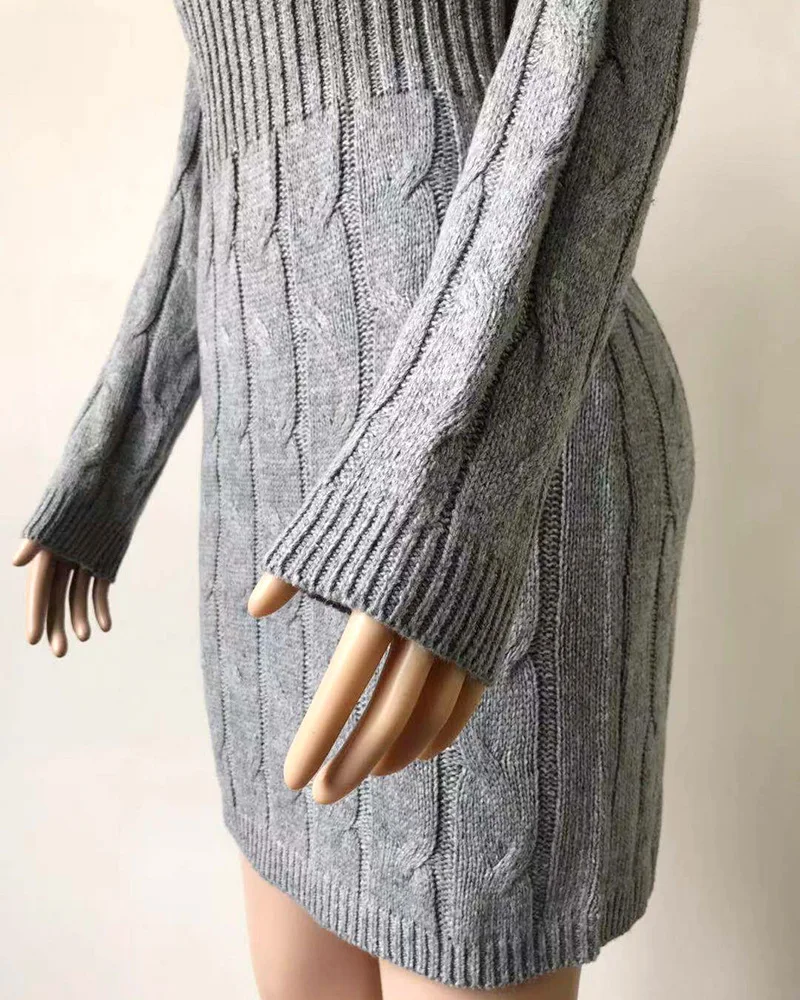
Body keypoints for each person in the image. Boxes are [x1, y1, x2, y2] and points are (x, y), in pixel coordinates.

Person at [13, 1, 699, 996]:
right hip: (265, 479)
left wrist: (456, 485)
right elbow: (237, 109)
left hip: (490, 463)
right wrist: (109, 455)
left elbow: (601, 50)